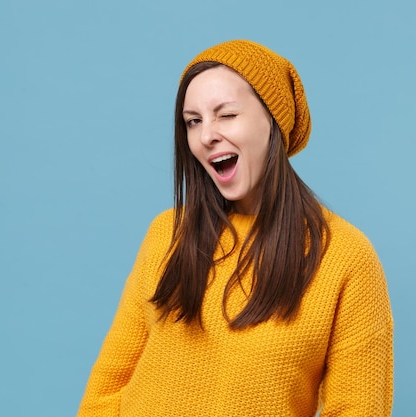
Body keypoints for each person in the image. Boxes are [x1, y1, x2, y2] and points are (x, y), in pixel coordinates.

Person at [77, 40, 393, 416]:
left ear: (273, 119)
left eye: (226, 115)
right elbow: (108, 386)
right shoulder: (167, 234)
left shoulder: (344, 256)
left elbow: (357, 409)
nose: (206, 134)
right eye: (193, 121)